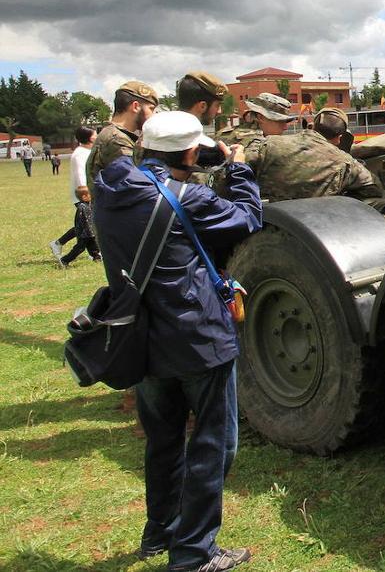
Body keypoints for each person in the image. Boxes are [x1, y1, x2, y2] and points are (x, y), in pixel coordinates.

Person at [93, 111, 261, 572]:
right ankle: (194, 553)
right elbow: (248, 218)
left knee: (163, 440)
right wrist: (237, 168)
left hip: (139, 337)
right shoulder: (189, 196)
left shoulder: (110, 186)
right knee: (213, 444)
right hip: (196, 338)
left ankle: (160, 534)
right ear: (190, 152)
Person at [247, 106, 384, 207]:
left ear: (312, 127)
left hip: (266, 228)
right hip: (317, 234)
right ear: (340, 138)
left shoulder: (269, 143)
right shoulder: (345, 162)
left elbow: (236, 171)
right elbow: (374, 188)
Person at [87, 80, 159, 202]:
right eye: (151, 109)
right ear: (135, 106)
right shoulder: (117, 140)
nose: (154, 115)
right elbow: (137, 187)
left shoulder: (114, 135)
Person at [50, 126, 100, 266]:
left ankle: (95, 254)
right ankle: (60, 244)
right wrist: (85, 193)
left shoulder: (86, 151)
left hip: (89, 193)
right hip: (83, 195)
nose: (97, 136)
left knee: (87, 225)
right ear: (90, 138)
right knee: (87, 225)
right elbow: (80, 175)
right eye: (95, 134)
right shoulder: (80, 154)